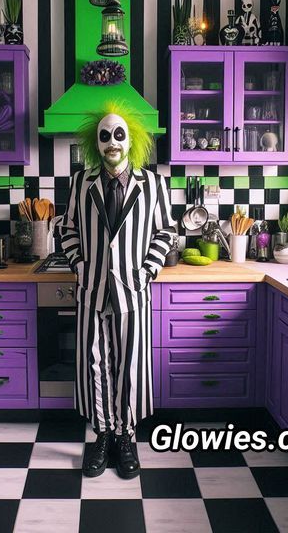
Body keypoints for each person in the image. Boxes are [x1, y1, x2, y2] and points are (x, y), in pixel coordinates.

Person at [59, 102, 176, 479]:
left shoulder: (154, 184)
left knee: (130, 365)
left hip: (132, 291)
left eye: (119, 135)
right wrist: (79, 266)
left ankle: (127, 436)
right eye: (105, 135)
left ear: (132, 141)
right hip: (92, 290)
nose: (112, 142)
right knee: (96, 365)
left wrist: (146, 272)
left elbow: (166, 231)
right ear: (96, 142)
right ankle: (103, 434)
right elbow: (68, 229)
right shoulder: (81, 181)